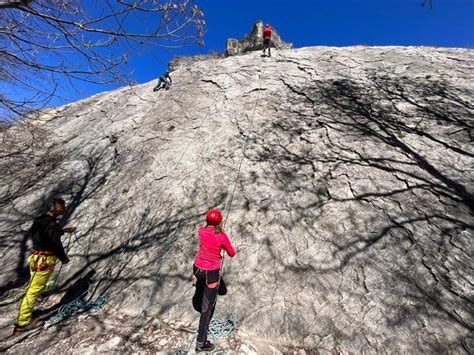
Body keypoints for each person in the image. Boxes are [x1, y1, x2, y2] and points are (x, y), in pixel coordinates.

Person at [13, 197, 75, 335]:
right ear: (54, 208)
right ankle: (23, 323)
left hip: (35, 258)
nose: (64, 209)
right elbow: (55, 244)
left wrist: (63, 231)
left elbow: (46, 234)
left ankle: (26, 315)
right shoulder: (52, 225)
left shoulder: (40, 219)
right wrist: (64, 258)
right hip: (45, 261)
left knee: (33, 288)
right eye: (62, 206)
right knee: (34, 291)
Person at [192, 209, 236, 352]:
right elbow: (232, 253)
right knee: (207, 309)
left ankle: (200, 288)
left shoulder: (201, 231)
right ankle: (201, 342)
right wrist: (222, 243)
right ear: (219, 221)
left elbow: (208, 239)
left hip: (198, 269)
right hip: (211, 274)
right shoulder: (221, 236)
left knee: (216, 289)